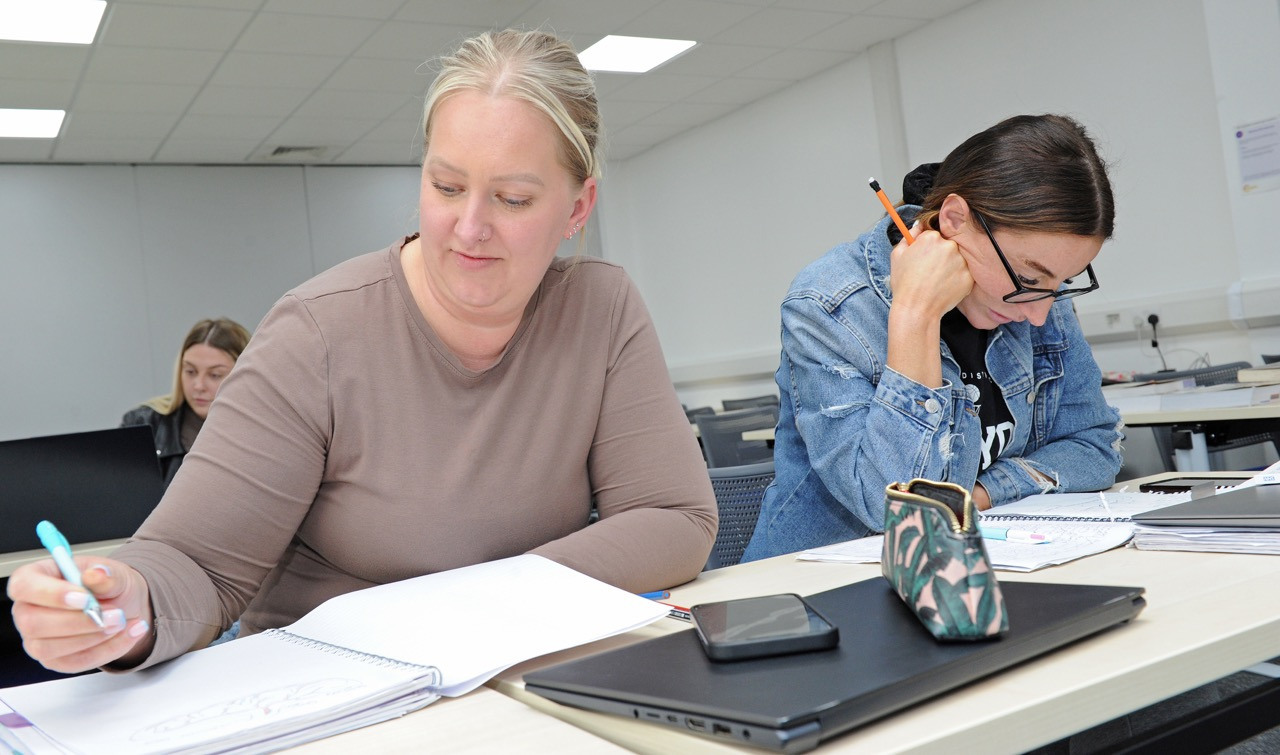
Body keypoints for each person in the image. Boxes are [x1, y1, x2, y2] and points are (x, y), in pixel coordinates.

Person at [9, 29, 717, 674]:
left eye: (512, 198)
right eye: (446, 186)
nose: (469, 227)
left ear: (578, 208)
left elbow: (675, 517)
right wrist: (123, 605)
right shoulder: (315, 335)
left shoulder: (601, 308)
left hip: (511, 676)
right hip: (334, 693)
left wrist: (491, 598)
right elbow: (196, 561)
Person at [744, 114, 1123, 561]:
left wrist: (981, 494)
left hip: (989, 565)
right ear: (955, 219)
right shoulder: (831, 304)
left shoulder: (1038, 295)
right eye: (1026, 278)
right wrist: (915, 314)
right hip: (827, 586)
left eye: (1060, 285)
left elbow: (1095, 444)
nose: (1040, 313)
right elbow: (898, 511)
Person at [121, 317, 251, 487]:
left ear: (244, 375)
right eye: (190, 371)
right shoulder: (143, 424)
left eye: (215, 375)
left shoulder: (270, 431)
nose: (198, 386)